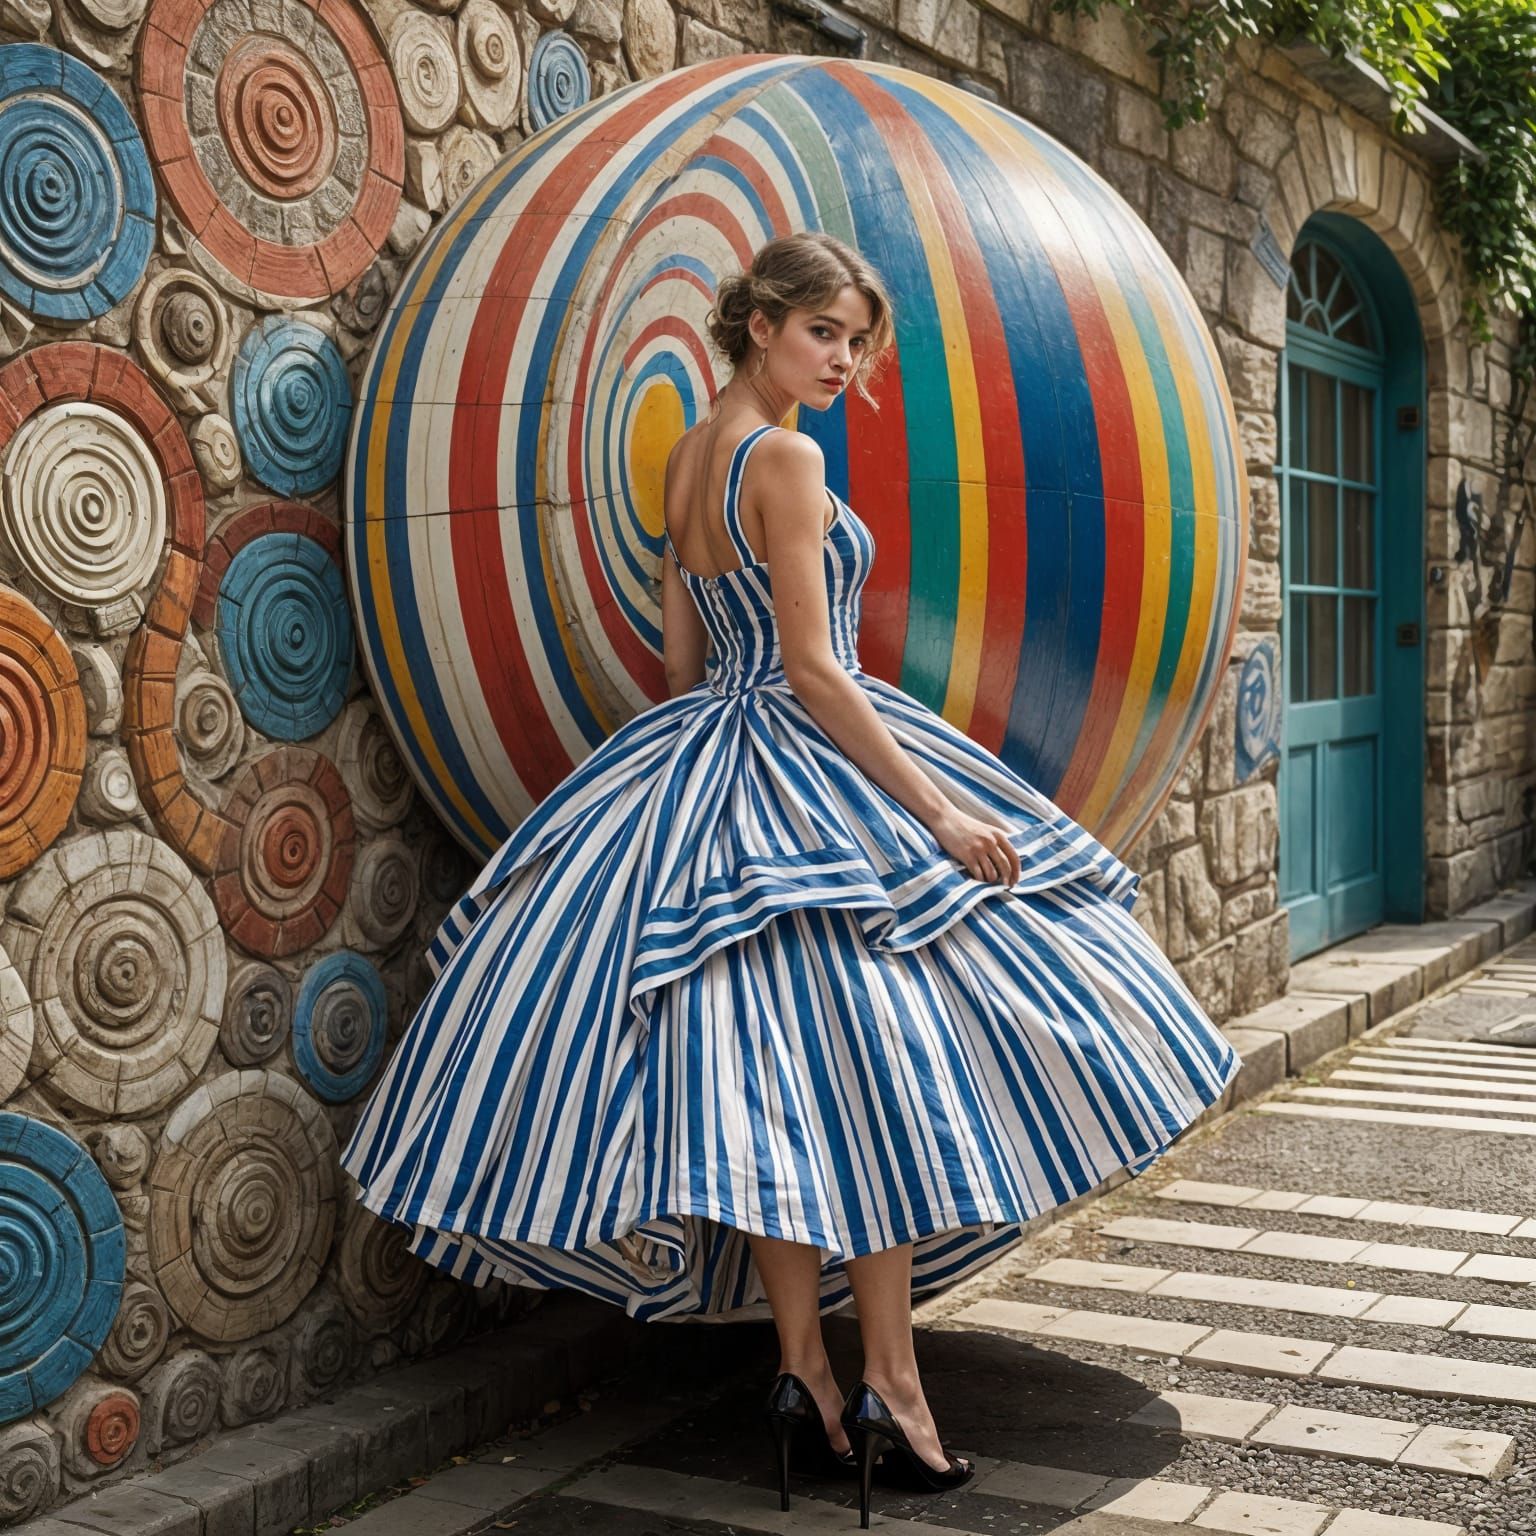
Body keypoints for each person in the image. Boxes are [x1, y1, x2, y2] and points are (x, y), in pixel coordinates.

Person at [341, 231, 1241, 1529]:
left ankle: (802, 1376)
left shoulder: (691, 454)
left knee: (771, 1098)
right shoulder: (785, 455)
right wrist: (933, 809)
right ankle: (890, 1385)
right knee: (873, 1087)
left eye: (855, 339)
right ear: (759, 322)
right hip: (805, 758)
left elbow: (680, 659)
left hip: (704, 764)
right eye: (825, 331)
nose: (844, 360)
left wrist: (673, 794)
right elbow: (815, 670)